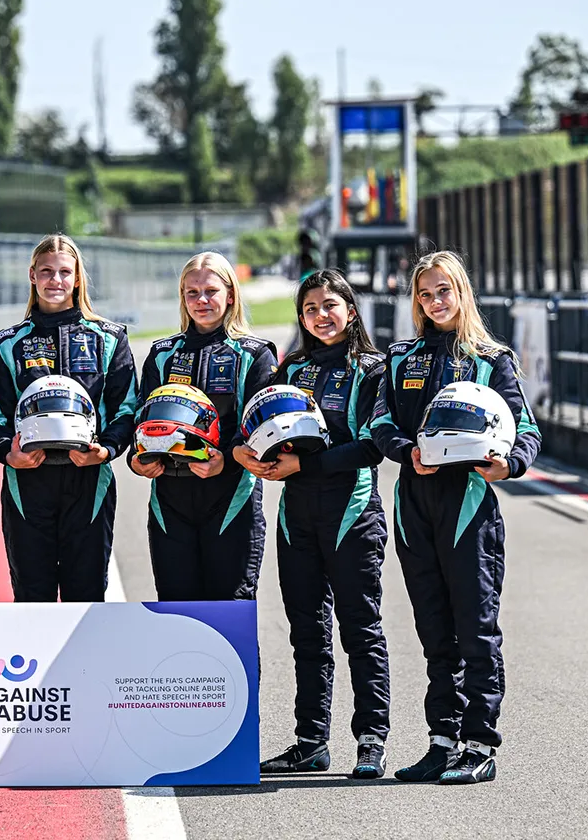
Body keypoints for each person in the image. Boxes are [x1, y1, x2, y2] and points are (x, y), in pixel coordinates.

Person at [370, 251, 541, 785]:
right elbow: (379, 421)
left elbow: (528, 430)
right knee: (434, 632)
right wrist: (405, 451)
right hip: (415, 506)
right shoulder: (401, 357)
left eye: (444, 290)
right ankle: (442, 740)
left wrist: (507, 465)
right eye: (425, 294)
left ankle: (479, 743)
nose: (435, 301)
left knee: (476, 631)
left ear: (462, 293)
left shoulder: (492, 358)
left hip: (469, 508)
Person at [251, 270, 391, 779]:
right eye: (310, 309)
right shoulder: (293, 368)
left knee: (360, 629)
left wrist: (303, 466)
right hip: (295, 515)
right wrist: (252, 454)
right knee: (307, 634)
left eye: (330, 305)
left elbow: (373, 445)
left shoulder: (372, 368)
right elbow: (259, 427)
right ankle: (310, 741)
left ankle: (371, 739)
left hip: (351, 513)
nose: (321, 316)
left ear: (350, 311)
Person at [0, 234, 137, 602]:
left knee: (85, 595)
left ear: (78, 278)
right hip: (28, 480)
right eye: (46, 272)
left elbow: (127, 408)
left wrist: (106, 450)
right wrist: (10, 454)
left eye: (64, 272)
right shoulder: (8, 342)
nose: (55, 280)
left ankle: (86, 664)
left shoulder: (109, 338)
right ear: (32, 276)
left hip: (88, 478)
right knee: (31, 594)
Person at [133, 252, 276, 600]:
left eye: (210, 291)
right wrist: (138, 459)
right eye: (191, 292)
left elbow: (259, 428)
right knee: (177, 614)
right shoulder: (162, 353)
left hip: (230, 497)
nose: (202, 300)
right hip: (170, 498)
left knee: (231, 612)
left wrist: (224, 460)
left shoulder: (254, 355)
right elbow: (141, 419)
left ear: (230, 294)